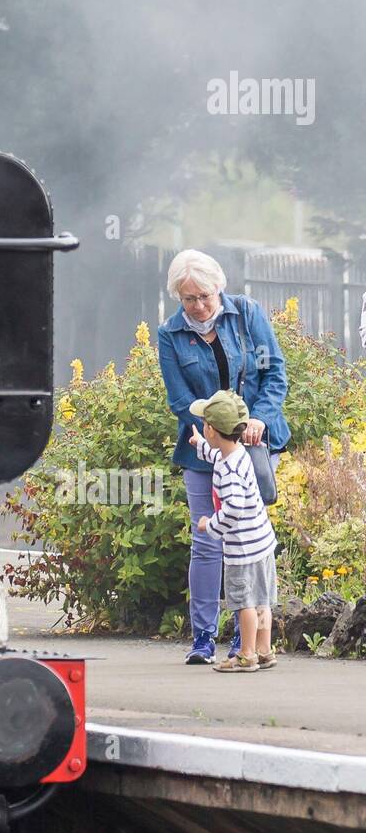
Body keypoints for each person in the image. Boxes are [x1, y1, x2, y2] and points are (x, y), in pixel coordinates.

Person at [157, 250, 290, 664]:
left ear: (220, 288)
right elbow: (180, 399)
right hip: (202, 449)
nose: (197, 306)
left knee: (249, 544)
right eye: (188, 299)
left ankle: (246, 640)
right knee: (208, 540)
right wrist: (215, 436)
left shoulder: (247, 315)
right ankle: (203, 638)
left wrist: (259, 421)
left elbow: (274, 374)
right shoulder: (170, 334)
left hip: (255, 445)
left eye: (204, 296)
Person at [189, 390, 278, 673]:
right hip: (262, 542)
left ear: (211, 429)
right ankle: (264, 651)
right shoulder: (239, 453)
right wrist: (200, 445)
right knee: (263, 601)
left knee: (245, 604)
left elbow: (234, 508)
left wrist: (210, 526)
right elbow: (216, 454)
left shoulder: (226, 471)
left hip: (242, 549)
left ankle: (246, 655)